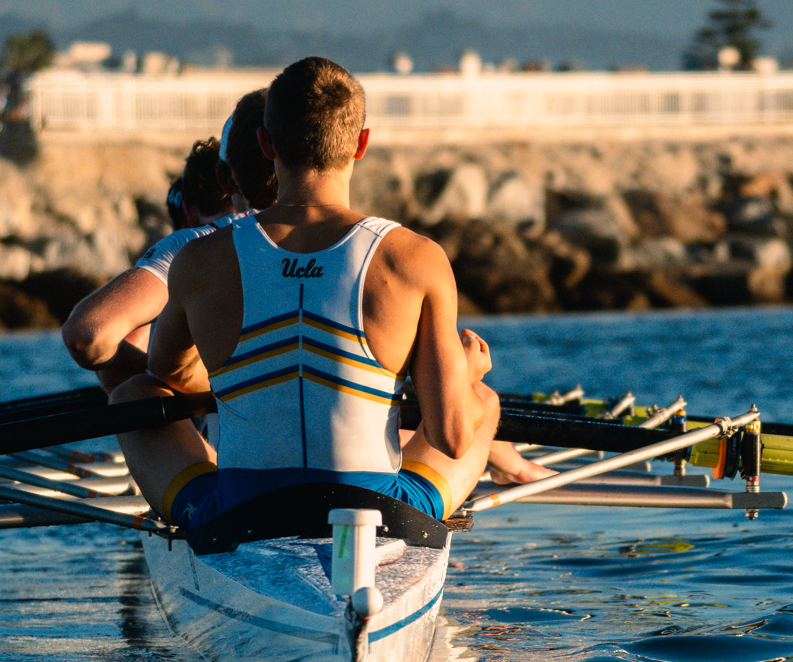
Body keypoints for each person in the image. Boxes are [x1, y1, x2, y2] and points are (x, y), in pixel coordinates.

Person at [110, 56, 543, 528]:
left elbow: (165, 374)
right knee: (482, 402)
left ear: (265, 144)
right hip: (378, 514)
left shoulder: (200, 259)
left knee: (133, 394)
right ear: (361, 145)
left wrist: (247, 381)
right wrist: (463, 372)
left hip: (240, 512)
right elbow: (453, 437)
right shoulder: (414, 258)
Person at [61, 91, 273, 391]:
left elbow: (88, 336)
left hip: (228, 427)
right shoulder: (361, 238)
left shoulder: (191, 246)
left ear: (226, 179)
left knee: (132, 395)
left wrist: (172, 382)